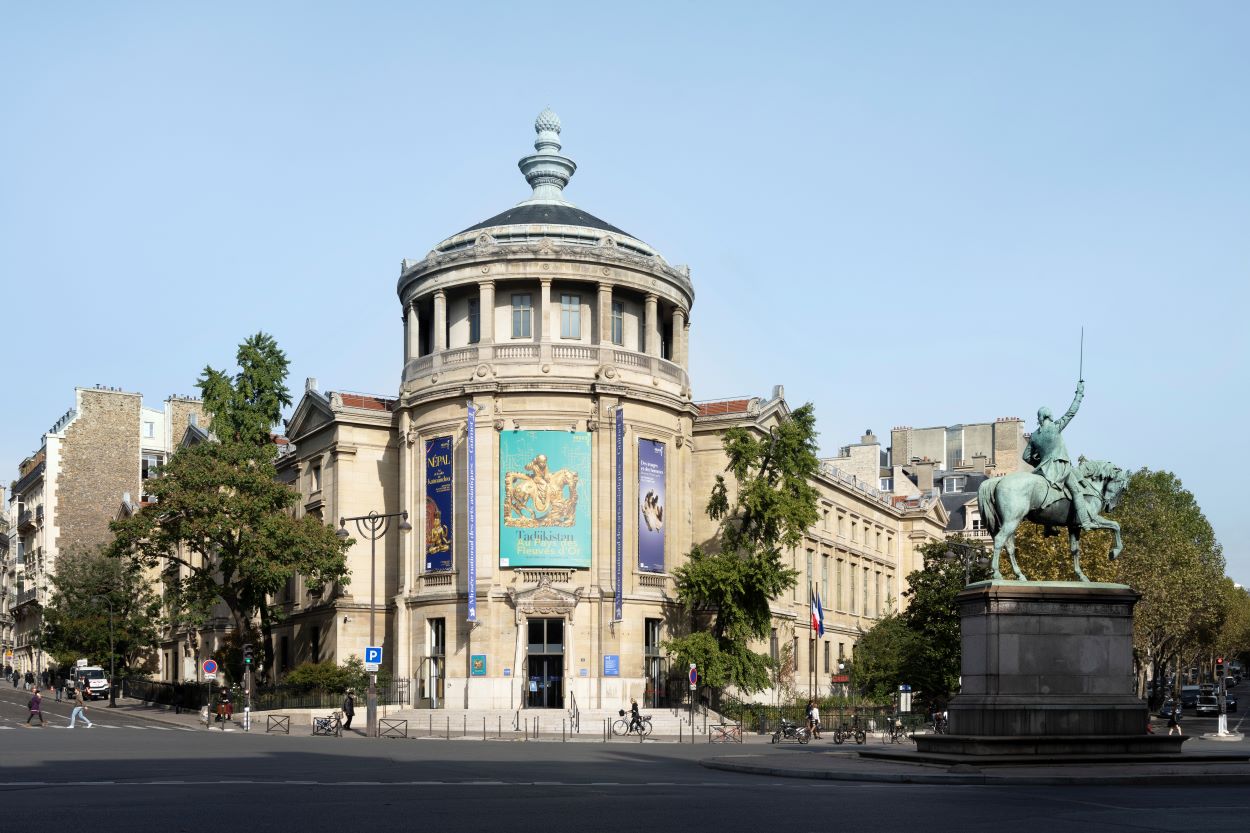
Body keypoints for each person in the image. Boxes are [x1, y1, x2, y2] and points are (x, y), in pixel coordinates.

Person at [1023, 380, 1095, 530]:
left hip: (1043, 471)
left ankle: (1049, 526)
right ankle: (1086, 522)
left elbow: (1026, 456)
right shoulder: (1056, 427)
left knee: (1047, 493)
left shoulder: (1035, 435)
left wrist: (1041, 462)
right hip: (1061, 468)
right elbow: (1071, 412)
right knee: (1076, 491)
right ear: (1049, 416)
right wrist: (1079, 393)